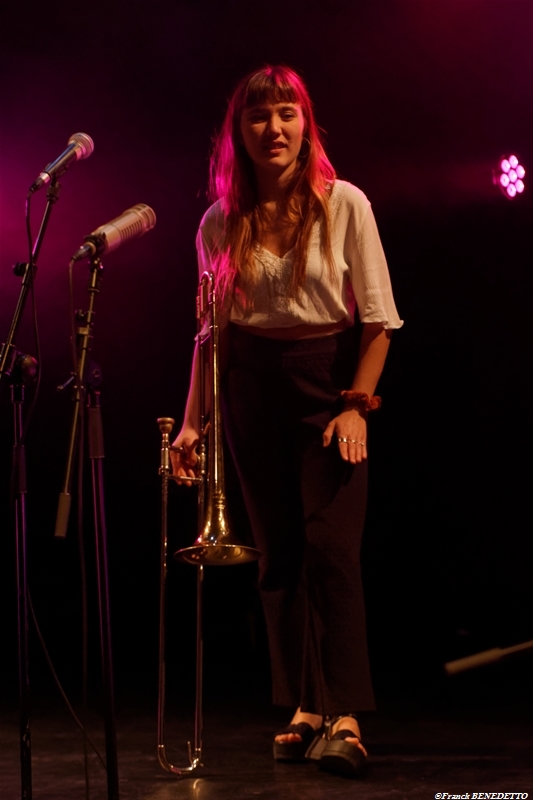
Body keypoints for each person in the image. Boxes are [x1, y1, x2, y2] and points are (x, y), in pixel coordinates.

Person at [171, 64, 403, 778]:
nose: (273, 128)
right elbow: (211, 336)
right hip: (249, 388)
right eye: (257, 116)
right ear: (237, 133)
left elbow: (378, 322)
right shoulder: (218, 221)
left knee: (331, 549)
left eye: (286, 114)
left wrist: (355, 405)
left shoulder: (345, 204)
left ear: (306, 124)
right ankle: (305, 706)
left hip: (326, 384)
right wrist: (192, 425)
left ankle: (346, 715)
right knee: (279, 558)